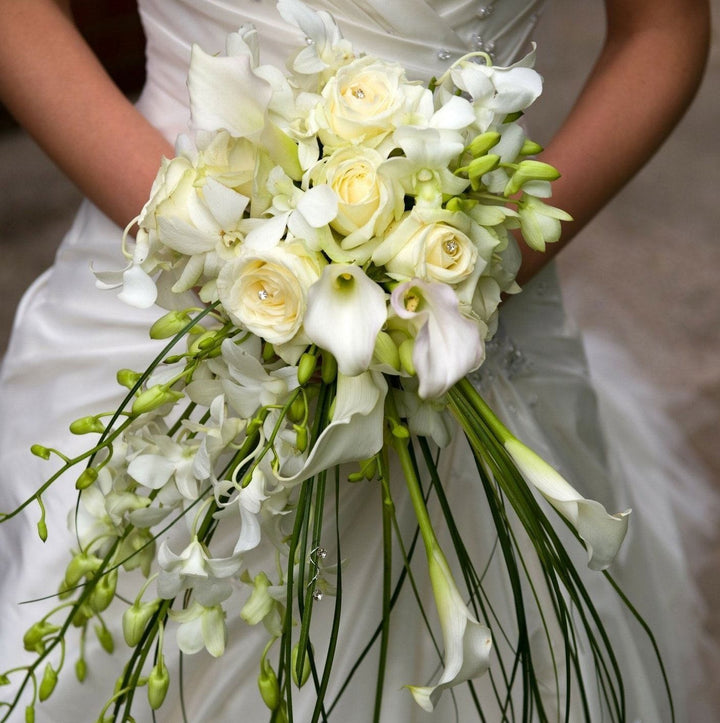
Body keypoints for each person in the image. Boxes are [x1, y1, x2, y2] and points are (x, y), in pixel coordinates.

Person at [0, 0, 715, 721]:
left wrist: (466, 273)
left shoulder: (465, 274)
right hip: (167, 271)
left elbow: (662, 29)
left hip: (464, 295)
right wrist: (219, 242)